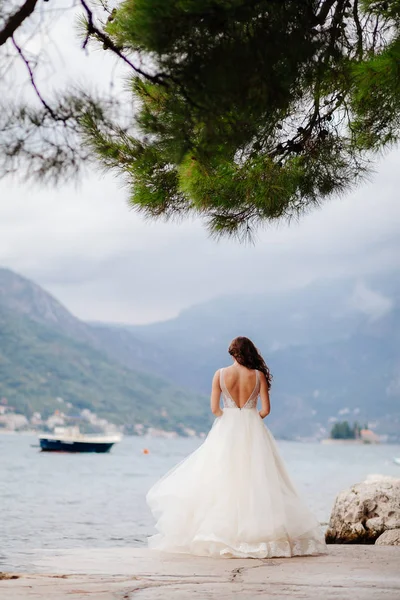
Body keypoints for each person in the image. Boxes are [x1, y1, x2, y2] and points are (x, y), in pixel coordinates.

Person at [146, 336, 327, 558]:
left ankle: (221, 534)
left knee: (222, 479)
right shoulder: (258, 375)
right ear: (250, 353)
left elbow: (215, 409)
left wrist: (230, 420)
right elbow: (266, 410)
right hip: (253, 427)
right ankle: (259, 533)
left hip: (227, 428)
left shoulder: (220, 374)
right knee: (259, 480)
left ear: (232, 353)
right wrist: (249, 419)